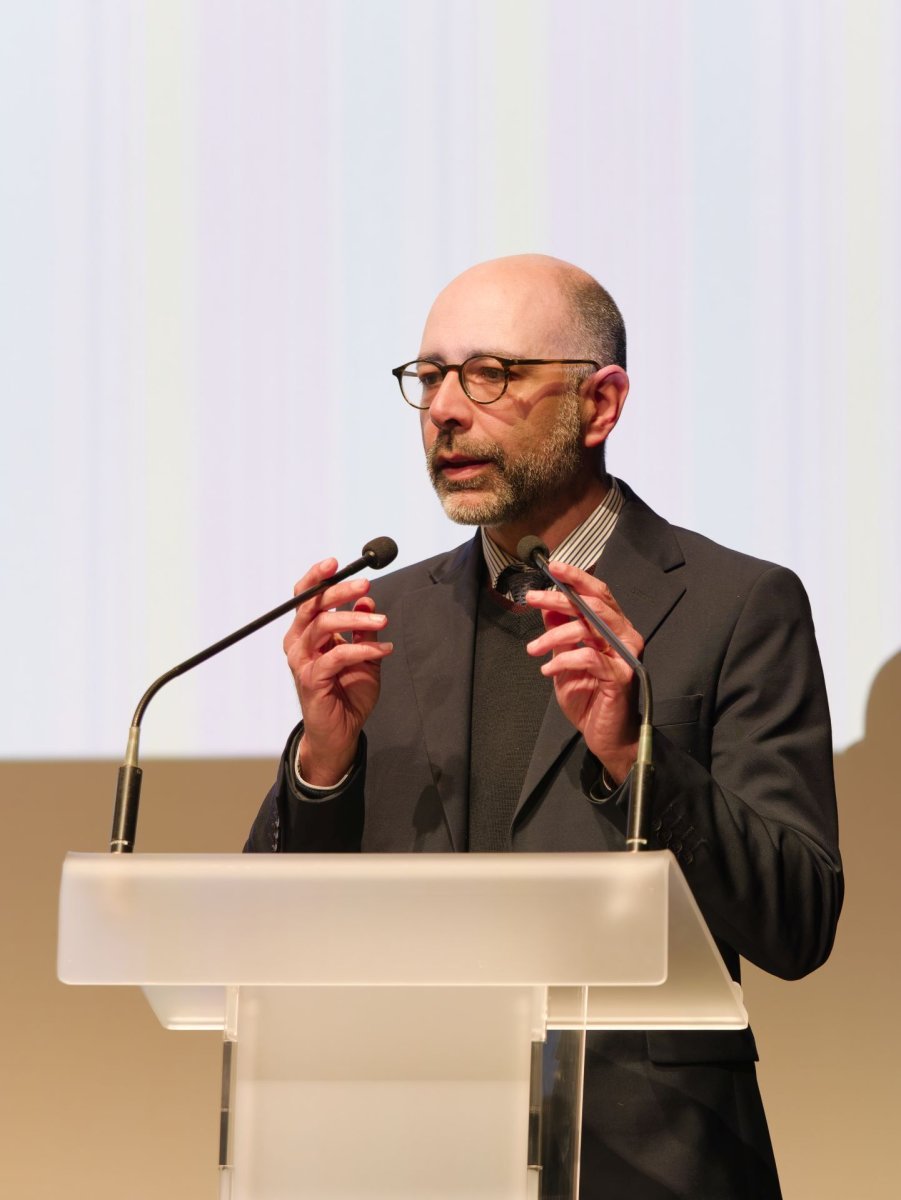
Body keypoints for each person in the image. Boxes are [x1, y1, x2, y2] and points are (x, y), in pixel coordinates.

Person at [246, 254, 843, 1198]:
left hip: (650, 1164)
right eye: (429, 377)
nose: (445, 409)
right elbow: (264, 937)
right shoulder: (381, 621)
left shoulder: (738, 605)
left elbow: (798, 919)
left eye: (490, 375)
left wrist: (633, 753)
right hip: (409, 1151)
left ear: (599, 405)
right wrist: (323, 760)